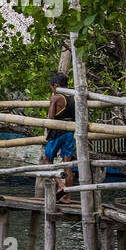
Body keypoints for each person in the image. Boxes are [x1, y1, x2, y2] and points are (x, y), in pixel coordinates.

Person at [43, 71, 76, 203]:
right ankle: (67, 197)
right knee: (67, 165)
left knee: (47, 159)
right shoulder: (72, 97)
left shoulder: (56, 97)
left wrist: (48, 131)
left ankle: (61, 186)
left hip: (57, 132)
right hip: (70, 132)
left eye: (51, 87)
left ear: (55, 85)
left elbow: (50, 118)